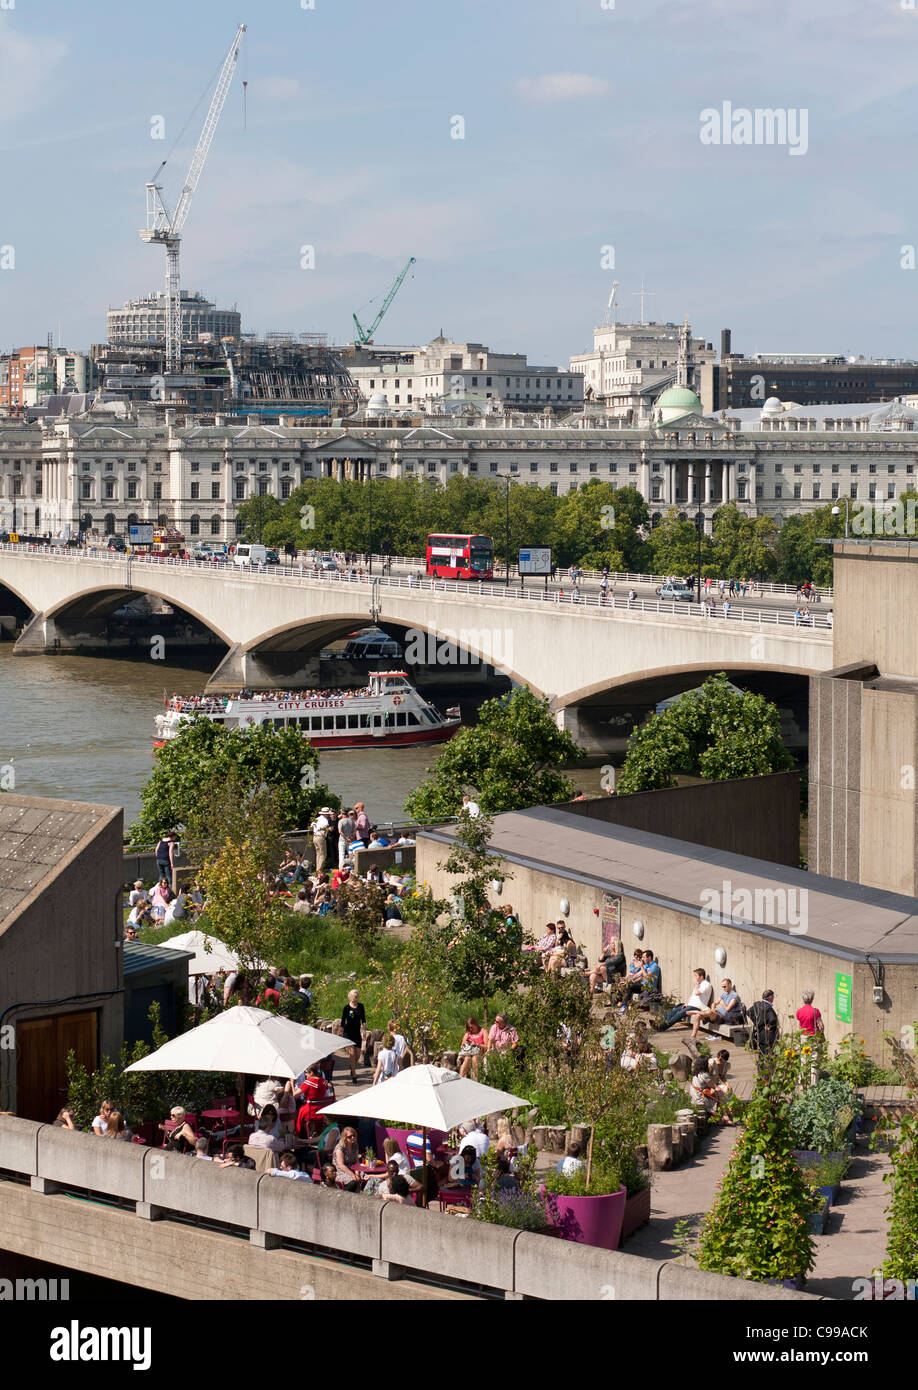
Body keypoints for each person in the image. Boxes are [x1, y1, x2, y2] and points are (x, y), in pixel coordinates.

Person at [340, 989, 366, 1083]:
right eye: (355, 996)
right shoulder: (346, 1008)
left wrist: (364, 1032)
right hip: (348, 1033)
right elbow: (343, 1021)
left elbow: (363, 1020)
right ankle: (354, 1075)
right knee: (352, 1053)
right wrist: (341, 1032)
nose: (356, 997)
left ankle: (352, 1066)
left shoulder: (361, 1007)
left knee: (358, 1055)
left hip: (357, 1033)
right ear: (350, 997)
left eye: (357, 996)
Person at [748, 989, 779, 1057]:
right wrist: (769, 1026)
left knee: (761, 1054)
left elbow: (749, 1012)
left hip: (759, 1033)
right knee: (769, 1054)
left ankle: (761, 1067)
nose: (773, 998)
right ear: (770, 997)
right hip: (768, 1035)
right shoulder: (768, 1008)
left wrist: (756, 1022)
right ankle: (768, 1067)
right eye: (773, 997)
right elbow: (773, 1019)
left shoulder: (757, 1005)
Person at [332, 1127, 362, 1191]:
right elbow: (341, 1165)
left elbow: (356, 1161)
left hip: (353, 1169)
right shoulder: (340, 1148)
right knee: (354, 1181)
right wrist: (353, 1175)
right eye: (350, 1136)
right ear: (344, 1137)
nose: (353, 1137)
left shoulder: (355, 1145)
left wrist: (357, 1173)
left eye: (354, 1135)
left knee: (367, 1177)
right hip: (341, 1172)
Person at [311, 807, 333, 875]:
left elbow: (311, 825)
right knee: (323, 854)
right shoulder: (325, 820)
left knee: (318, 854)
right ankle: (319, 870)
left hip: (315, 837)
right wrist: (324, 831)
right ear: (326, 814)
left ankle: (318, 869)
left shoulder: (317, 819)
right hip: (320, 837)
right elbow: (324, 829)